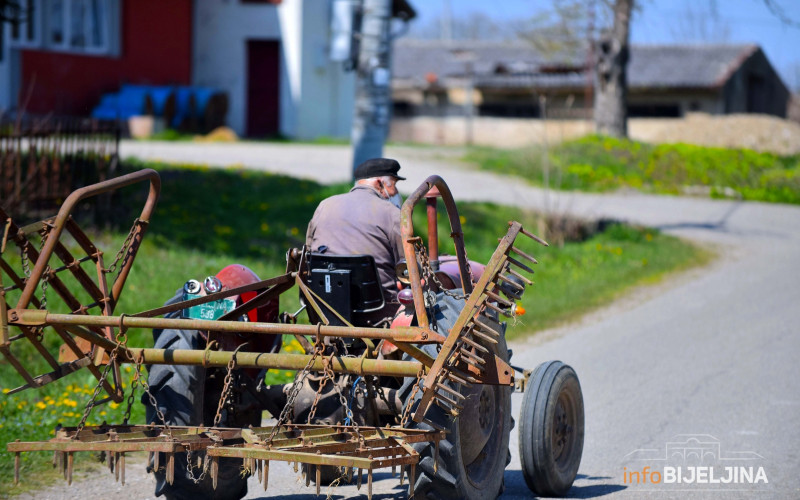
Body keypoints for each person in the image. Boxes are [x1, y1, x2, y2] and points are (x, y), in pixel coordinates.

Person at [305, 158, 406, 325]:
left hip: (325, 309)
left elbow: (309, 254)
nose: (395, 192)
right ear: (380, 183)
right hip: (378, 316)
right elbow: (409, 267)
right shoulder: (392, 213)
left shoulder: (324, 205)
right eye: (393, 184)